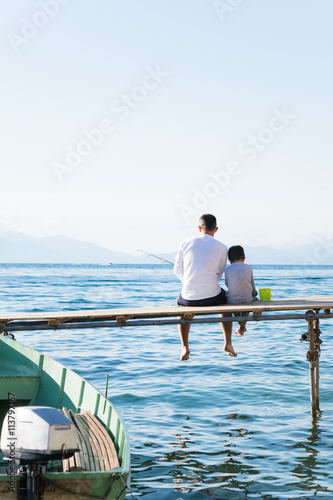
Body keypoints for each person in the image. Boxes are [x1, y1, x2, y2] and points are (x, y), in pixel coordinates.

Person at [174, 214, 237, 360]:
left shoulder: (185, 242)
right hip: (213, 298)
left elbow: (177, 270)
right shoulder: (222, 247)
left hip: (188, 299)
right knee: (225, 301)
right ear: (216, 229)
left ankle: (184, 347)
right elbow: (219, 274)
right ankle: (228, 343)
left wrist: (188, 282)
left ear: (199, 228)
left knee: (180, 306)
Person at [224, 245, 258, 337]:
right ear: (244, 258)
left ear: (229, 260)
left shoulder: (227, 270)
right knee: (247, 300)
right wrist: (254, 295)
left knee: (234, 303)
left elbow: (227, 284)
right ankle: (243, 326)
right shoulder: (249, 268)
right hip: (247, 299)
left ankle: (241, 326)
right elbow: (252, 284)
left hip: (232, 301)